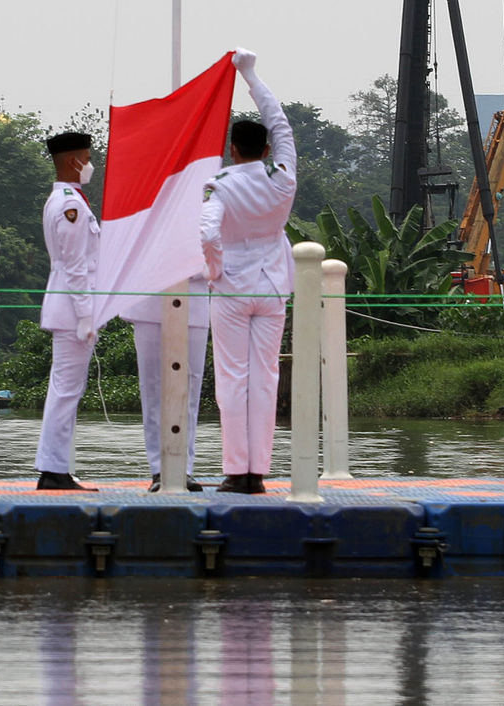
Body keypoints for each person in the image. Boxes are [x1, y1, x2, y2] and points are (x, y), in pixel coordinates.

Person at [200, 49, 297, 494]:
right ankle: (259, 473)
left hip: (232, 288)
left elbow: (207, 233)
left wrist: (216, 269)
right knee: (266, 378)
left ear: (233, 149)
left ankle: (236, 471)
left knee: (232, 379)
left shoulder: (221, 184)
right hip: (274, 285)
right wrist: (251, 76)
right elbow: (280, 122)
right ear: (267, 149)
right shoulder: (283, 178)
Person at [33, 132, 100, 491]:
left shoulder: (66, 200)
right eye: (87, 158)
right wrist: (87, 314)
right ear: (74, 161)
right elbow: (75, 266)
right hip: (73, 308)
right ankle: (53, 469)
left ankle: (57, 466)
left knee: (67, 388)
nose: (90, 165)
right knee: (66, 389)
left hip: (71, 305)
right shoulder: (68, 205)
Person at [123, 277, 208, 493]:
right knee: (152, 390)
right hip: (148, 299)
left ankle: (184, 467)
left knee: (190, 390)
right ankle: (158, 468)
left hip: (194, 298)